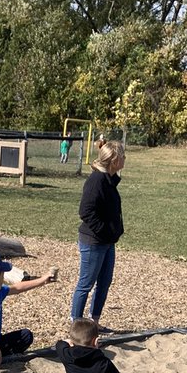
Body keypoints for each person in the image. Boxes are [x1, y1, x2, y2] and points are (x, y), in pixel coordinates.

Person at [70, 140, 125, 327]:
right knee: (86, 283)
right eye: (123, 156)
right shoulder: (96, 181)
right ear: (115, 160)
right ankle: (76, 323)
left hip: (108, 241)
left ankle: (94, 321)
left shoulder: (108, 180)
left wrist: (113, 232)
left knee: (104, 282)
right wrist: (103, 230)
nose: (125, 159)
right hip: (93, 241)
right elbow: (86, 212)